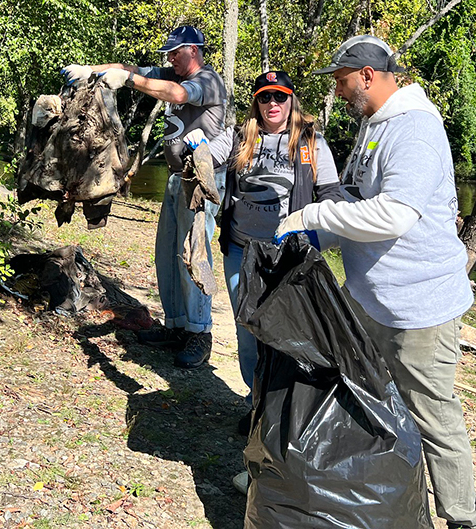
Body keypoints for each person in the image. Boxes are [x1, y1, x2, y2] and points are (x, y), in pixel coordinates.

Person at [276, 35, 476, 529]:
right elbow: (356, 200)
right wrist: (315, 233)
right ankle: (382, 505)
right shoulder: (375, 127)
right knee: (366, 403)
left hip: (418, 310)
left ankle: (464, 518)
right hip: (370, 302)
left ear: (367, 76)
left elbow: (395, 214)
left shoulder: (414, 130)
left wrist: (316, 212)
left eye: (343, 80)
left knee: (434, 419)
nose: (339, 88)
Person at [61, 25, 226, 370]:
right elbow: (133, 69)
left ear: (193, 50)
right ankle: (177, 326)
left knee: (192, 254)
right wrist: (93, 71)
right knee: (167, 254)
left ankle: (200, 334)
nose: (169, 59)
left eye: (175, 53)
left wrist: (129, 83)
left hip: (200, 181)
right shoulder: (172, 72)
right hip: (175, 177)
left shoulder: (208, 81)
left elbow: (177, 95)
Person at [196, 71, 342, 418]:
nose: (272, 104)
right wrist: (194, 141)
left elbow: (333, 197)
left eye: (279, 96)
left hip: (287, 257)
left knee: (285, 334)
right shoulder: (239, 138)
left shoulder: (311, 143)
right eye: (264, 97)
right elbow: (205, 155)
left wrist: (313, 240)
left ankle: (283, 411)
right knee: (247, 330)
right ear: (256, 102)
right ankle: (256, 404)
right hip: (240, 252)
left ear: (291, 100)